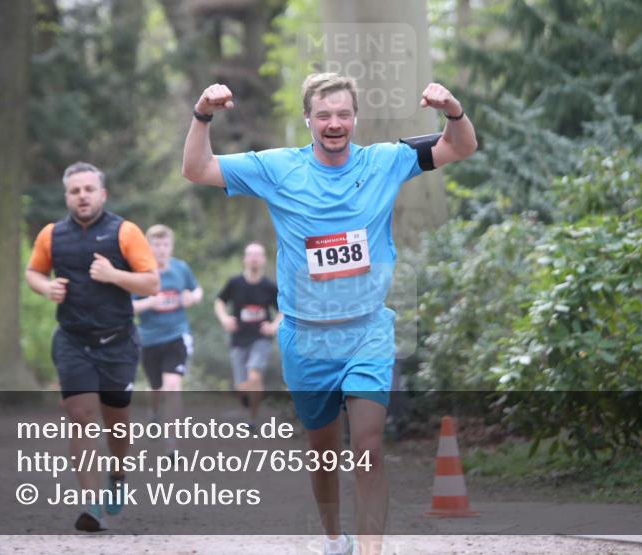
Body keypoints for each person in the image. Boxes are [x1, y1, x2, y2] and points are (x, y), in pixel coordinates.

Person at [182, 72, 478, 555]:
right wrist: (202, 115)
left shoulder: (385, 161)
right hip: (307, 337)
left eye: (343, 114)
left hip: (366, 330)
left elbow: (460, 147)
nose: (334, 123)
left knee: (368, 449)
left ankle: (370, 550)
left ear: (355, 118)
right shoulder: (278, 168)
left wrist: (452, 110)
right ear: (308, 120)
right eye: (324, 115)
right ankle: (333, 538)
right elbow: (196, 169)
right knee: (323, 454)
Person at [25, 162, 160, 532]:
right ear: (66, 196)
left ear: (102, 194)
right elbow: (33, 272)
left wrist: (114, 275)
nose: (82, 196)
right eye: (74, 191)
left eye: (88, 189)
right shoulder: (52, 235)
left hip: (117, 341)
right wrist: (44, 287)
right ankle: (91, 504)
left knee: (116, 420)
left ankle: (117, 473)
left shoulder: (125, 232)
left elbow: (151, 284)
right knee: (81, 415)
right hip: (72, 340)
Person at [131, 224, 202, 455]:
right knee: (157, 388)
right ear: (148, 247)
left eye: (165, 244)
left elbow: (197, 290)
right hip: (150, 339)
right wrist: (150, 302)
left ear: (171, 246)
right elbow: (128, 307)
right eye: (156, 245)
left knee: (172, 387)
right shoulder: (141, 273)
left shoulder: (181, 268)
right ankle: (154, 413)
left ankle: (171, 444)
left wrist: (192, 297)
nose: (161, 249)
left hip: (177, 336)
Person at [214, 242, 282, 424]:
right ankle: (245, 398)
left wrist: (274, 326)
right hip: (238, 339)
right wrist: (225, 319)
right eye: (250, 254)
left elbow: (283, 310)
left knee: (254, 374)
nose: (254, 258)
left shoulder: (269, 285)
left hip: (261, 338)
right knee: (241, 386)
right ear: (245, 259)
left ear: (263, 259)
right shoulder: (235, 283)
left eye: (258, 255)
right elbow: (219, 302)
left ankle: (252, 419)